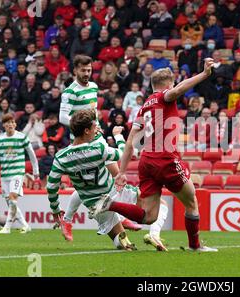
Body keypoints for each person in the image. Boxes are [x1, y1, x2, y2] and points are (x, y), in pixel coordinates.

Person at [58, 55, 168, 248]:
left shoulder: (93, 87)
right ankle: (69, 219)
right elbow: (62, 117)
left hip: (96, 136)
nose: (86, 73)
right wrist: (85, 124)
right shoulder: (69, 92)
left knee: (104, 180)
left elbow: (92, 112)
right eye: (83, 70)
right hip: (81, 140)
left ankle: (80, 217)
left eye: (89, 70)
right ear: (75, 70)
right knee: (110, 176)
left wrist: (95, 124)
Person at [112, 60, 218, 252]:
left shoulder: (144, 107)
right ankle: (195, 246)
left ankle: (111, 205)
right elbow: (177, 91)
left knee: (149, 216)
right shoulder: (164, 96)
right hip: (166, 159)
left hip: (146, 161)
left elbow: (130, 143)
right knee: (191, 201)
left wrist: (122, 172)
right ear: (168, 84)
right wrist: (204, 74)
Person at [46, 109, 138, 251]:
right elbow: (123, 153)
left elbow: (51, 187)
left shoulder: (61, 157)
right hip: (114, 194)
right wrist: (118, 136)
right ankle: (154, 233)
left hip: (94, 205)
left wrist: (55, 209)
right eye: (95, 127)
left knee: (122, 242)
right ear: (87, 131)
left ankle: (120, 219)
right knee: (159, 206)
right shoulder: (98, 148)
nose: (97, 131)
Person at [0, 113, 39, 234]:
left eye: (11, 122)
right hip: (5, 175)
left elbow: (31, 154)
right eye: (7, 122)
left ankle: (7, 227)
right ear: (4, 125)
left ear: (15, 124)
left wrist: (36, 170)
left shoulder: (22, 137)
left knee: (13, 198)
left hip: (17, 173)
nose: (9, 124)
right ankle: (25, 225)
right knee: (10, 202)